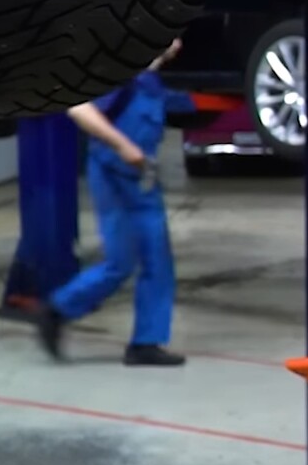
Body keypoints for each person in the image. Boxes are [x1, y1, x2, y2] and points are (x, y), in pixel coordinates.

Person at [35, 38, 199, 368]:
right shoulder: (120, 74)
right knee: (120, 262)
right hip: (113, 176)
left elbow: (187, 108)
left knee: (156, 261)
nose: (178, 43)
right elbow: (79, 108)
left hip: (142, 182)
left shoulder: (152, 82)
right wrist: (123, 146)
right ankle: (58, 309)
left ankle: (145, 342)